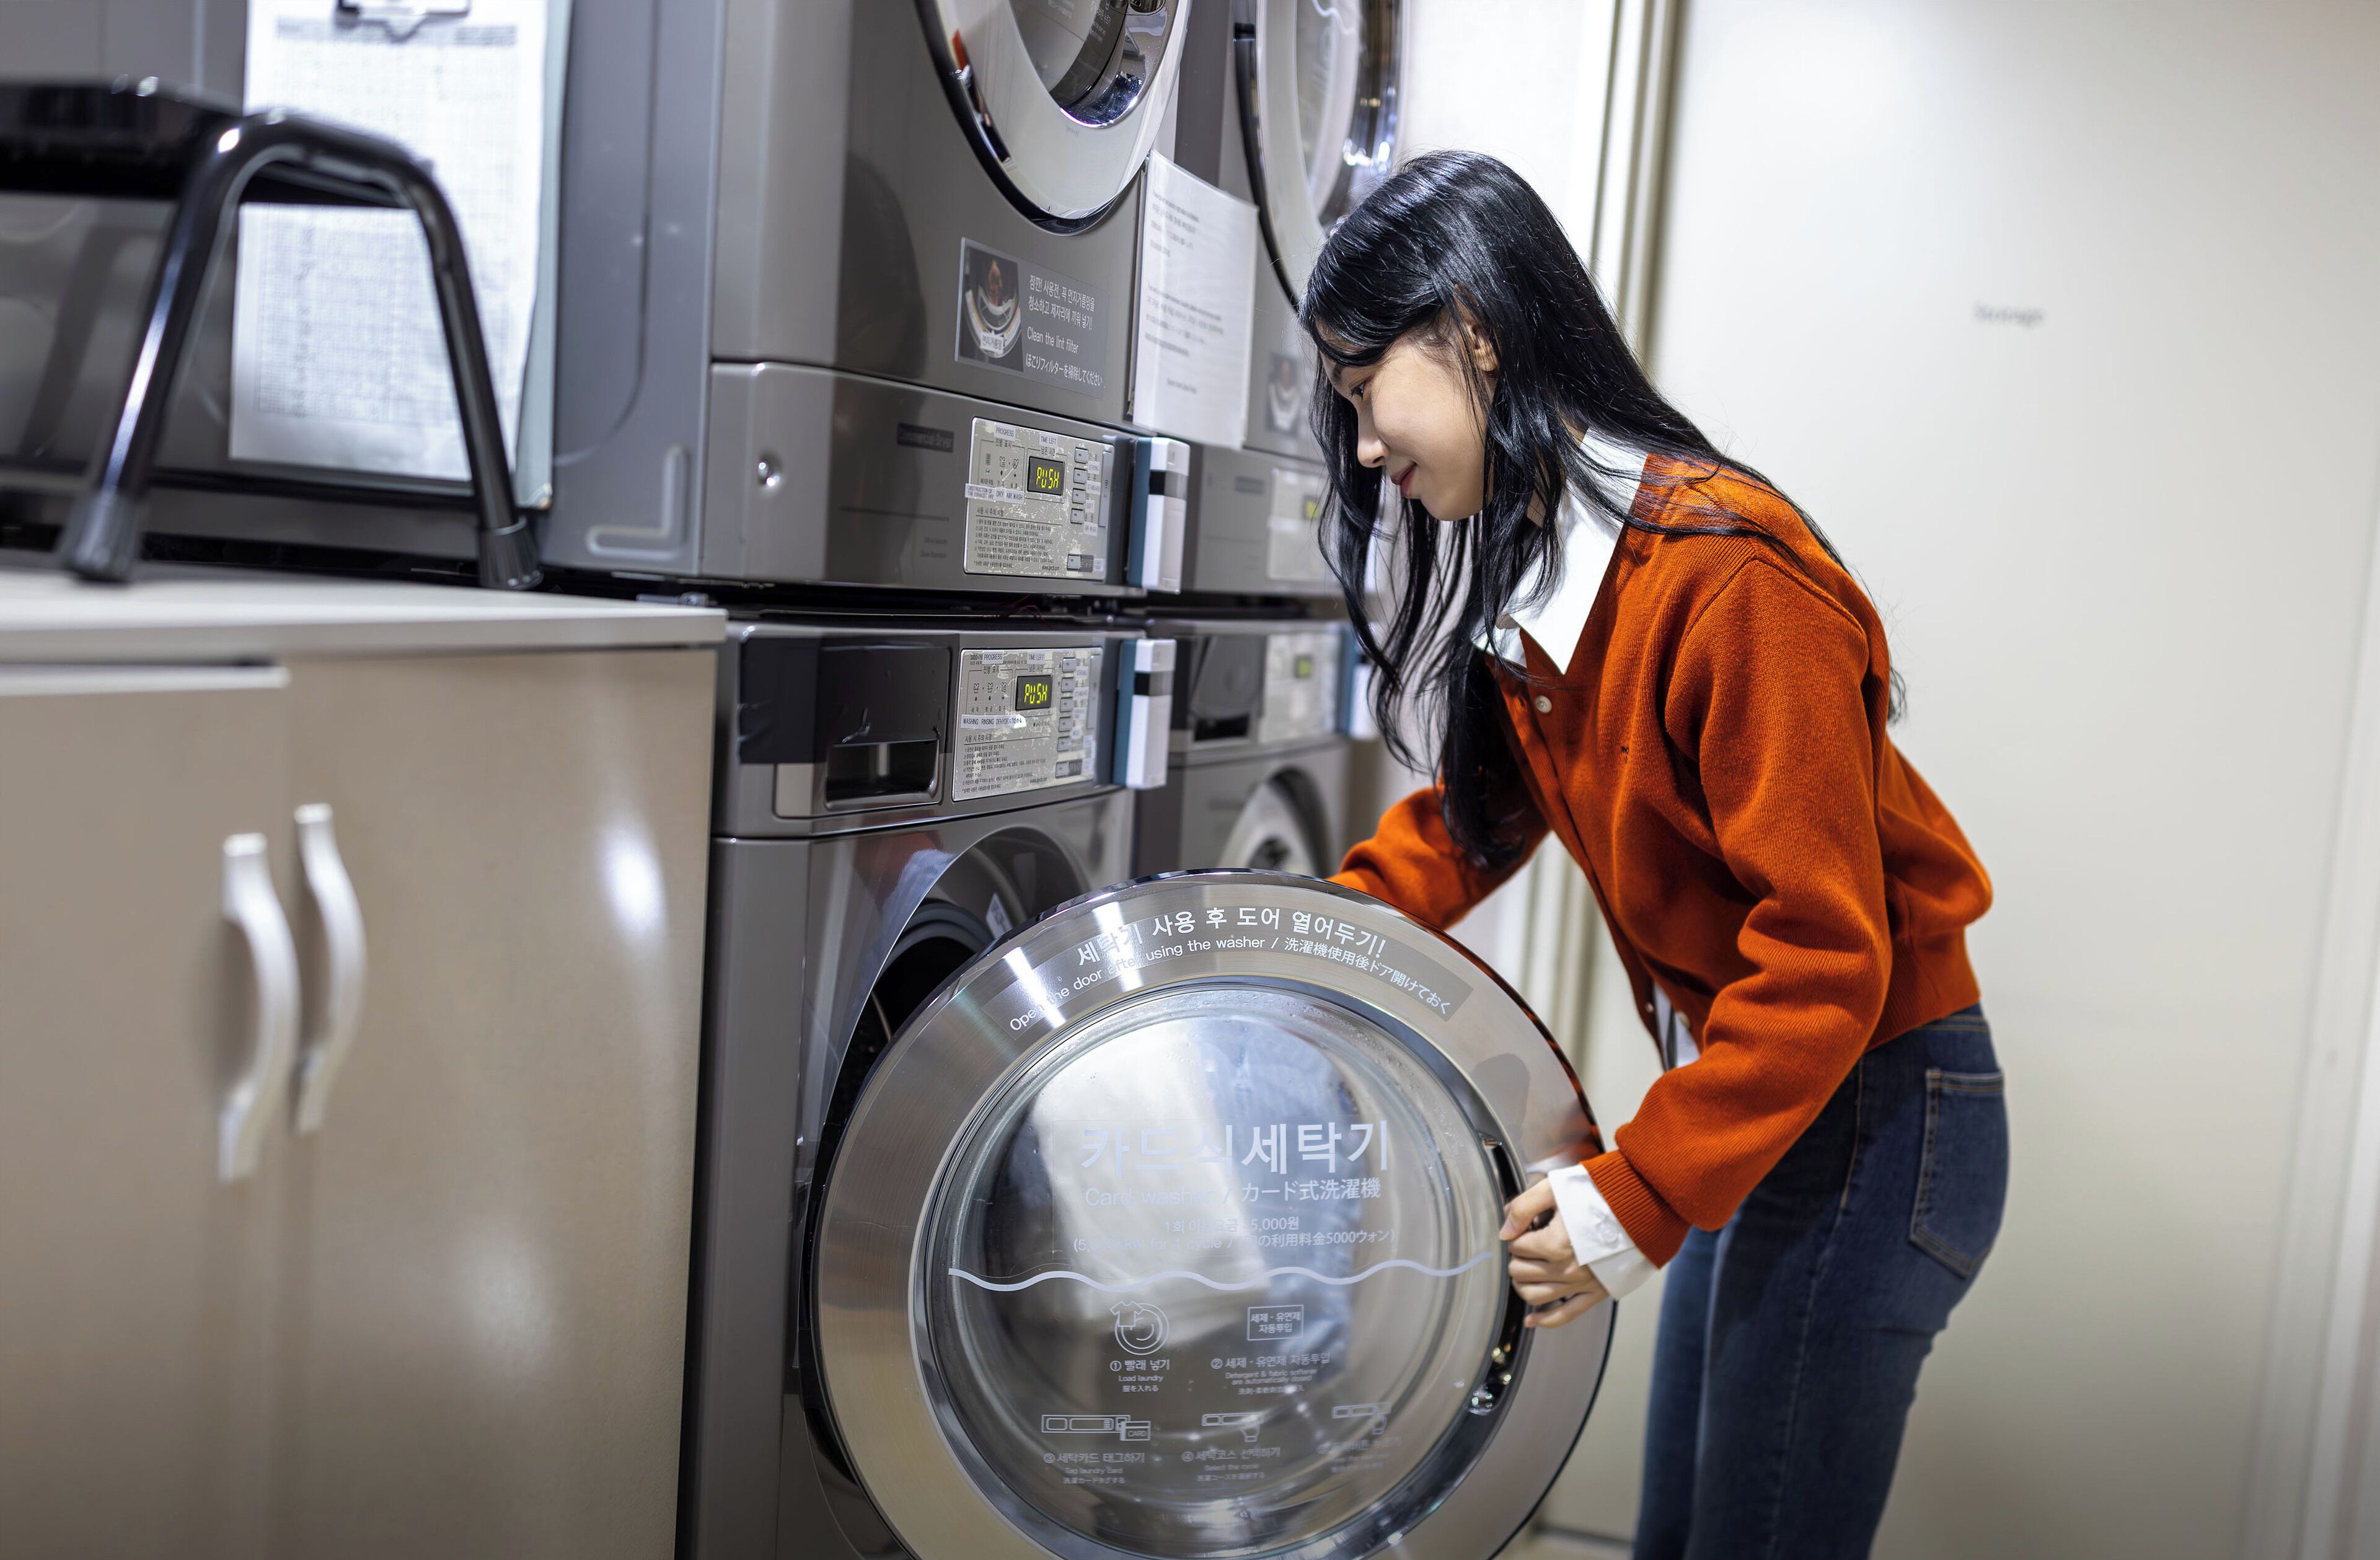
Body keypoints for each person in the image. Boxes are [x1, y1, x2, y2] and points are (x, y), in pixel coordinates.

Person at [1309, 151, 2007, 1559]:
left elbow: (1827, 959)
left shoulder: (1723, 577)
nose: (1366, 443)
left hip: (1879, 1114)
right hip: (1775, 1108)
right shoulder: (1555, 565)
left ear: (1472, 330)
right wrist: (1293, 953)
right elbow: (1475, 823)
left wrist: (1634, 1192)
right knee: (1688, 1533)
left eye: (1361, 380)